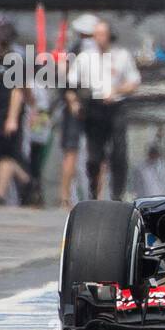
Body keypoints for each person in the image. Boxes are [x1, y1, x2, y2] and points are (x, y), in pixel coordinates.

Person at [67, 20, 140, 201]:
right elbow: (71, 85)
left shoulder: (122, 56)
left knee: (119, 150)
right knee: (94, 155)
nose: (99, 38)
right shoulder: (85, 57)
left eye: (102, 34)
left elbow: (133, 82)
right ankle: (93, 190)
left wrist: (117, 90)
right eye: (96, 34)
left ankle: (117, 193)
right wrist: (74, 103)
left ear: (110, 36)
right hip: (94, 107)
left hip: (116, 106)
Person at [0, 21, 32, 205]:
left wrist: (12, 118)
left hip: (8, 113)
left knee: (6, 154)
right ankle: (26, 181)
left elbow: (18, 90)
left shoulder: (14, 59)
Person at [57, 14, 97, 208]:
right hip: (75, 103)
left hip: (94, 105)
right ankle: (65, 196)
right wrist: (72, 98)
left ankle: (95, 196)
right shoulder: (72, 52)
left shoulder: (103, 52)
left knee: (95, 152)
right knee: (71, 152)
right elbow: (64, 82)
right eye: (85, 34)